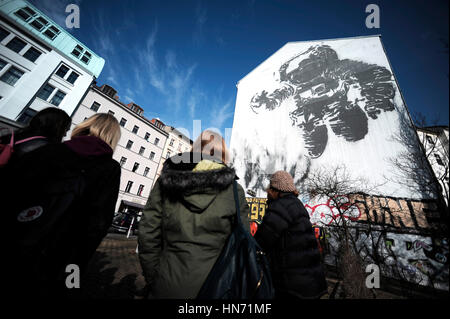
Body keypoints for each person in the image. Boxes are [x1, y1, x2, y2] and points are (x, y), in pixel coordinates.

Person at [3, 113, 121, 299]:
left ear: (85, 126)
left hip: (19, 245)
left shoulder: (51, 151)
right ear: (113, 137)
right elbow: (98, 225)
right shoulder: (110, 168)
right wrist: (75, 271)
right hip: (63, 257)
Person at [138, 130, 251, 299]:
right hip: (216, 287)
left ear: (195, 149)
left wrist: (154, 276)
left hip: (166, 283)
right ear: (223, 154)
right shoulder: (234, 190)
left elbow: (148, 231)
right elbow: (243, 240)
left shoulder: (167, 180)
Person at [254, 170, 328, 299]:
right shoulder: (297, 205)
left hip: (293, 285)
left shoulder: (280, 207)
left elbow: (261, 241)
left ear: (274, 190)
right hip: (312, 281)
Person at [0, 107, 71, 164]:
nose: (65, 135)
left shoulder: (13, 135)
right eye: (65, 130)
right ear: (56, 127)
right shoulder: (45, 148)